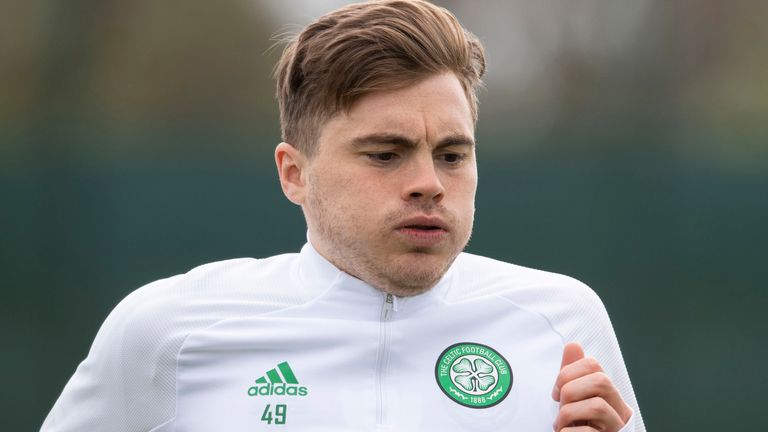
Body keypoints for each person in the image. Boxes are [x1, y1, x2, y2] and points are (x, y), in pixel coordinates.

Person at [42, 1, 645, 431]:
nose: (429, 185)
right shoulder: (168, 330)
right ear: (294, 173)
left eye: (452, 155)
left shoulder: (561, 321)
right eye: (386, 154)